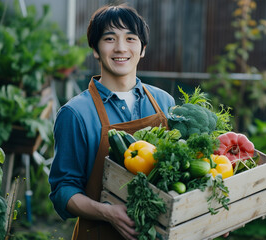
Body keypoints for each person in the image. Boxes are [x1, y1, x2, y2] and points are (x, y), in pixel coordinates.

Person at [48, 4, 175, 240]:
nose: (121, 48)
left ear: (143, 48)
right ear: (95, 49)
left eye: (130, 38)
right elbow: (63, 190)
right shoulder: (76, 113)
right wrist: (107, 213)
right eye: (109, 38)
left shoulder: (164, 102)